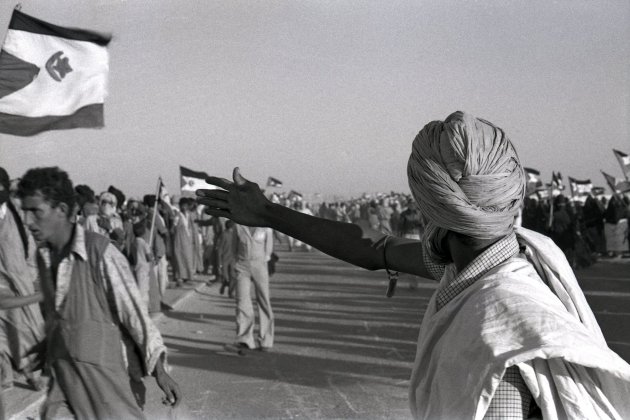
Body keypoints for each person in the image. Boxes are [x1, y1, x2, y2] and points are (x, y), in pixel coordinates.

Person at [197, 111, 630, 419]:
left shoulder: (496, 340)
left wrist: (269, 214)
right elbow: (371, 250)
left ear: (428, 209)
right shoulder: (500, 260)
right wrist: (269, 213)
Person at [17, 167, 181, 419]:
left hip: (106, 387)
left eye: (35, 212)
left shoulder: (101, 254)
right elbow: (59, 317)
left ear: (61, 210)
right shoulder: (44, 257)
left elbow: (136, 317)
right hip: (64, 386)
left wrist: (159, 370)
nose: (28, 221)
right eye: (25, 211)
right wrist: (46, 347)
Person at [0, 168, 44, 393]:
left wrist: (31, 273)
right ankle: (4, 374)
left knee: (25, 328)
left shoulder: (17, 212)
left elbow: (30, 244)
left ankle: (30, 372)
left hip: (20, 280)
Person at [224, 223, 275, 353]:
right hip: (242, 266)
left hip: (260, 266)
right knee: (242, 301)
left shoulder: (266, 227)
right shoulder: (238, 226)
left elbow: (268, 251)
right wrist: (236, 266)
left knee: (264, 301)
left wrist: (263, 264)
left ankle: (266, 340)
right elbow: (234, 249)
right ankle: (245, 339)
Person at [171, 197, 195, 287]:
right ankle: (179, 278)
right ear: (180, 206)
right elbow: (173, 228)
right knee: (179, 258)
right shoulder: (177, 215)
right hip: (179, 240)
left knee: (188, 258)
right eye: (183, 205)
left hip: (188, 241)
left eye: (186, 205)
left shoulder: (189, 215)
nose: (184, 207)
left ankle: (188, 277)